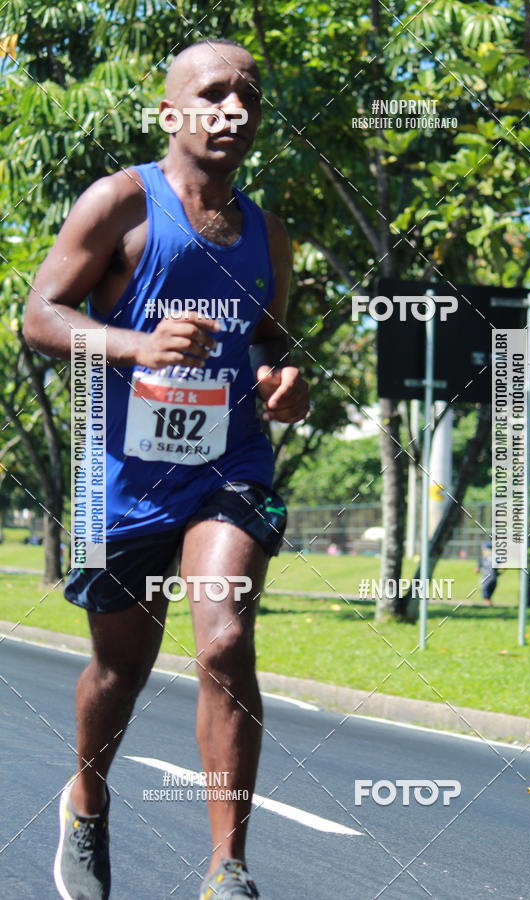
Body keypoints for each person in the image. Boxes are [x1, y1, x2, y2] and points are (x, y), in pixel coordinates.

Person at [23, 39, 309, 900]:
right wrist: (134, 344)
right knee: (121, 668)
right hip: (125, 477)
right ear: (170, 111)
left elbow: (272, 339)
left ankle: (229, 867)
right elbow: (39, 314)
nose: (233, 110)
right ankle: (88, 796)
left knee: (223, 635)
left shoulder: (268, 233)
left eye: (248, 97)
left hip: (230, 463)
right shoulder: (119, 203)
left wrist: (288, 379)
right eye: (214, 93)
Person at [477, 540, 499, 605]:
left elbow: (477, 569)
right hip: (493, 578)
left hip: (486, 578)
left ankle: (487, 603)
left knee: (486, 594)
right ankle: (488, 602)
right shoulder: (496, 558)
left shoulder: (482, 558)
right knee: (488, 595)